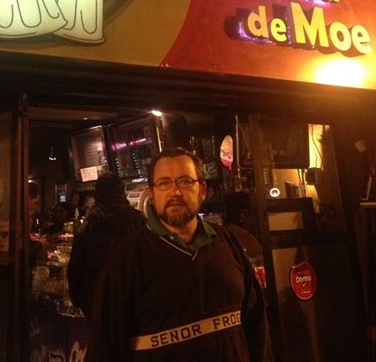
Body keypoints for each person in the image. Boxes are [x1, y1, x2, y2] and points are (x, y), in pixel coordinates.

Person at [87, 148, 273, 361]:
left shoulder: (227, 244)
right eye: (164, 183)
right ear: (152, 193)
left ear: (202, 189)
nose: (174, 192)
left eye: (185, 181)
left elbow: (256, 326)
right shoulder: (126, 259)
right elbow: (104, 347)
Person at [68, 172, 145, 319]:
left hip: (95, 306)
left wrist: (79, 302)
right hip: (132, 305)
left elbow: (75, 270)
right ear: (121, 192)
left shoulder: (87, 227)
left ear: (98, 194)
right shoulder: (139, 222)